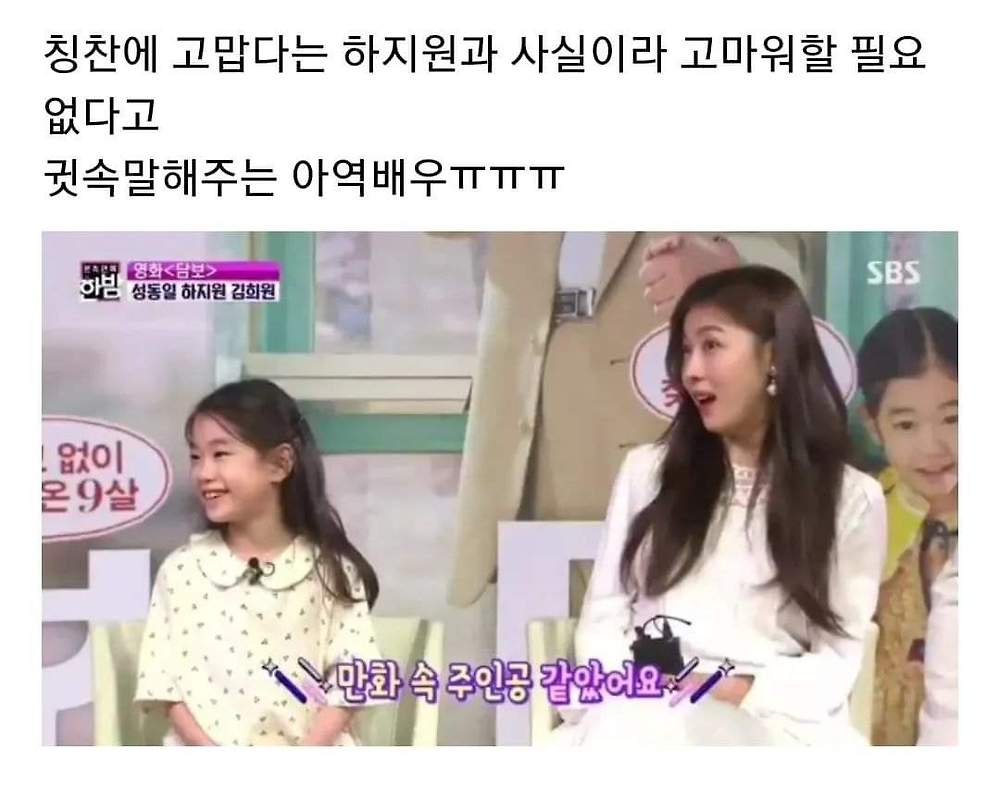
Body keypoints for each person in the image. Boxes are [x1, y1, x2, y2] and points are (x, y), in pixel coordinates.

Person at [552, 265, 886, 745]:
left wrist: (729, 688)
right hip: (641, 714)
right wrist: (642, 690)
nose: (691, 371)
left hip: (771, 722)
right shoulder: (648, 473)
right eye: (686, 350)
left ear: (773, 357)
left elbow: (836, 661)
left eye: (711, 346)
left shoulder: (850, 499)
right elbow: (603, 622)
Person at [448, 231, 824, 608]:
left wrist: (731, 261)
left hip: (666, 424)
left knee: (672, 625)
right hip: (526, 417)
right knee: (538, 633)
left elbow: (789, 254)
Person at [134, 379, 384, 746]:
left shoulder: (332, 571)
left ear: (280, 464)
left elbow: (354, 679)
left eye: (220, 454)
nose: (203, 473)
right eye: (196, 457)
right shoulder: (182, 571)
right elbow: (164, 684)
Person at [857, 308, 959, 745]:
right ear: (873, 425)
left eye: (953, 418)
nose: (932, 446)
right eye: (906, 424)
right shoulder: (858, 516)